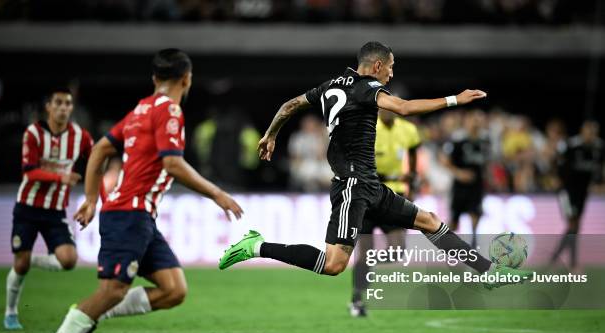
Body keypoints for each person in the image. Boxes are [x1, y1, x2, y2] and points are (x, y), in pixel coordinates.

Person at [219, 41, 531, 289]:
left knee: (430, 220)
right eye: (391, 68)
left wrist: (270, 135)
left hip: (370, 186)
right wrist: (455, 100)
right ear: (378, 65)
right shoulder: (367, 88)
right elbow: (405, 108)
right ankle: (257, 246)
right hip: (352, 187)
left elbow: (290, 105)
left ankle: (487, 272)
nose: (392, 75)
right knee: (334, 265)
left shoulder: (329, 86)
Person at [30, 49, 243, 333]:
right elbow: (172, 164)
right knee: (112, 290)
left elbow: (100, 149)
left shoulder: (140, 109)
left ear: (154, 79)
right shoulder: (169, 111)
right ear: (187, 79)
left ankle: (91, 318)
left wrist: (90, 198)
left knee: (174, 290)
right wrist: (217, 194)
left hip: (140, 215)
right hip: (128, 214)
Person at [5, 88, 92, 330]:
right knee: (19, 266)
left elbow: (96, 158)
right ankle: (11, 313)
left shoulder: (80, 136)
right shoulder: (33, 133)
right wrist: (60, 178)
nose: (64, 107)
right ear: (49, 107)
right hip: (27, 207)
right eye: (59, 103)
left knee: (69, 259)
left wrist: (93, 197)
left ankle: (29, 258)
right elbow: (29, 172)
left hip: (55, 211)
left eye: (68, 103)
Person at [350, 108, 421, 317]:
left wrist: (412, 184)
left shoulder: (408, 130)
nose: (389, 112)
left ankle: (368, 264)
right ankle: (357, 298)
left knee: (398, 250)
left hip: (394, 195)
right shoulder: (368, 128)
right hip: (368, 194)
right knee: (364, 252)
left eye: (393, 108)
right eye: (384, 108)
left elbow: (414, 152)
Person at [550, 120, 603, 272]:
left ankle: (554, 259)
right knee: (573, 225)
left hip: (583, 192)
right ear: (582, 132)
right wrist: (556, 178)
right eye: (588, 132)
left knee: (575, 226)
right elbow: (557, 161)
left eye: (593, 132)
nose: (590, 135)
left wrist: (598, 183)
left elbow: (598, 169)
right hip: (567, 191)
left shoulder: (598, 148)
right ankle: (572, 263)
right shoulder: (572, 146)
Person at [441, 109, 489, 249]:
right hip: (460, 186)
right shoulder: (458, 139)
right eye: (474, 119)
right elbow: (444, 159)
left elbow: (486, 161)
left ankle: (473, 246)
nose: (476, 123)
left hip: (477, 185)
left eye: (479, 120)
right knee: (455, 220)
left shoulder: (485, 140)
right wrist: (459, 173)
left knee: (476, 214)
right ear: (467, 121)